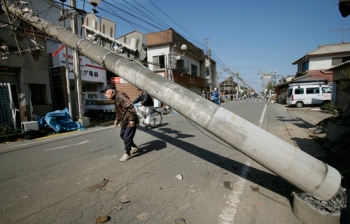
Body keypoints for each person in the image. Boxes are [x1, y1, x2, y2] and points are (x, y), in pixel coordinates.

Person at [101, 84, 139, 162]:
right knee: (122, 135)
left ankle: (127, 153)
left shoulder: (121, 96)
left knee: (127, 137)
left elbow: (130, 107)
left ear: (111, 90)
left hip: (129, 120)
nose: (105, 95)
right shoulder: (116, 98)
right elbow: (119, 111)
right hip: (124, 120)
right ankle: (134, 147)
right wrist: (116, 120)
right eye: (104, 93)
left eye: (106, 92)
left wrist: (132, 120)